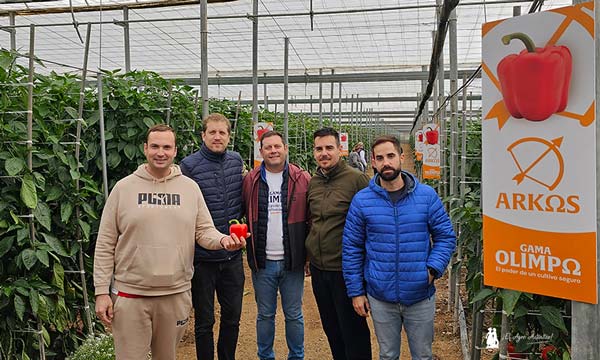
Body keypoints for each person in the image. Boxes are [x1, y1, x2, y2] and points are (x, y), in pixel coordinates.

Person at [94, 124, 246, 360]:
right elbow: (105, 242)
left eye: (167, 147)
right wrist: (101, 292)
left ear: (175, 151)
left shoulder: (189, 188)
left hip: (175, 294)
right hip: (131, 295)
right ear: (145, 149)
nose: (160, 152)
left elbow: (204, 230)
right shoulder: (123, 189)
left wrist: (224, 240)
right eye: (155, 146)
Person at [342, 135, 456, 360]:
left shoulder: (426, 196)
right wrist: (356, 291)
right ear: (373, 162)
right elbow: (352, 248)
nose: (386, 162)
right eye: (380, 158)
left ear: (401, 157)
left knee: (423, 355)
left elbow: (445, 236)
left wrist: (432, 269)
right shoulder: (362, 201)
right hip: (380, 295)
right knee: (388, 354)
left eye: (391, 156)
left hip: (419, 294)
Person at [242, 130, 311, 360]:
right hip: (263, 262)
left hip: (292, 261)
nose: (273, 151)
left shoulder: (301, 178)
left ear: (285, 148)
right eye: (268, 147)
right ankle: (266, 356)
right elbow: (243, 212)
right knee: (265, 315)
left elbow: (310, 218)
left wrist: (308, 256)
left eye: (277, 146)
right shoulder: (250, 180)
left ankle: (296, 356)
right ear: (261, 152)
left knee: (293, 314)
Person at [180, 113, 245, 360]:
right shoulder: (189, 166)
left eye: (222, 133)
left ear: (229, 136)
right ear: (203, 135)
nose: (217, 137)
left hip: (232, 256)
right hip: (203, 258)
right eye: (212, 132)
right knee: (205, 321)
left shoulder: (236, 161)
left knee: (232, 317)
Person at [305, 127, 372, 360]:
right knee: (331, 328)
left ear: (340, 150)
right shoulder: (313, 182)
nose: (324, 153)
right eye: (319, 149)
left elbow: (373, 221)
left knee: (353, 331)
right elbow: (312, 220)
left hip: (346, 270)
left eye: (329, 148)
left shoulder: (357, 180)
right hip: (319, 269)